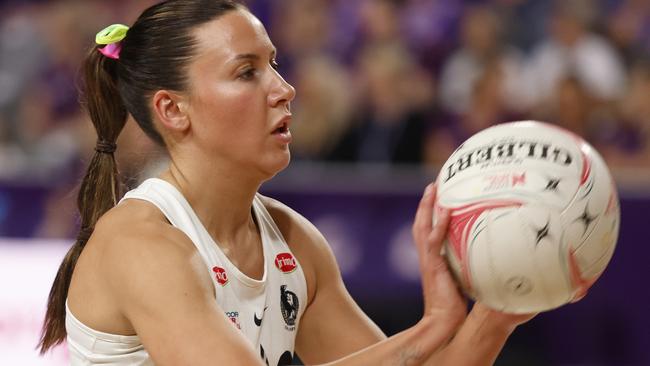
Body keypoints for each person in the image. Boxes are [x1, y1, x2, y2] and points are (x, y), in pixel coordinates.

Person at [38, 1, 533, 365]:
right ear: (173, 109)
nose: (284, 88)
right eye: (247, 72)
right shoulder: (141, 242)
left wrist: (500, 306)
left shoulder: (292, 240)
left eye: (273, 64)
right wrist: (434, 326)